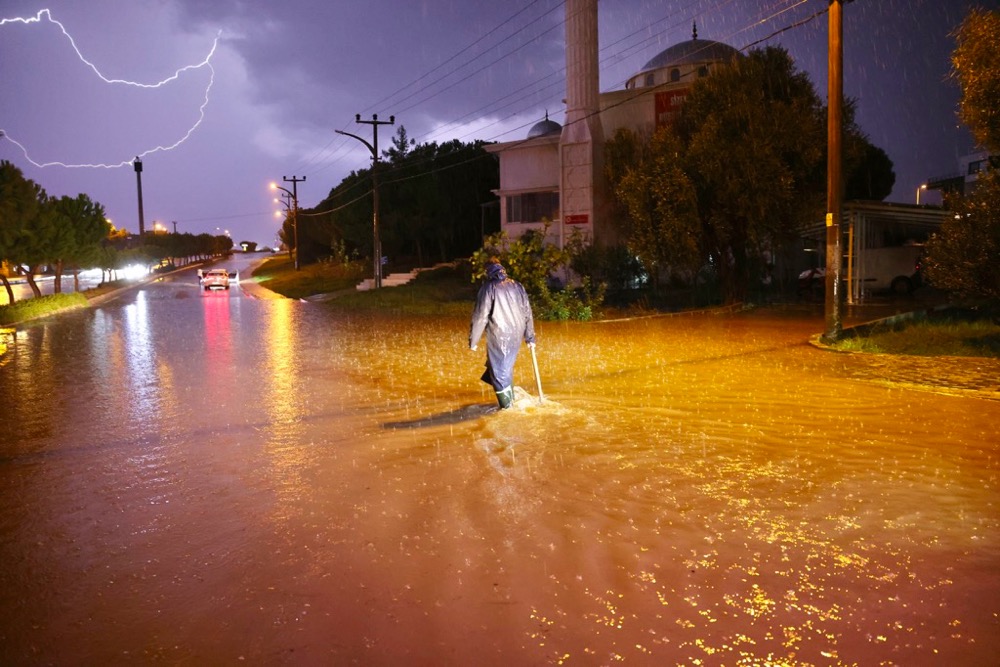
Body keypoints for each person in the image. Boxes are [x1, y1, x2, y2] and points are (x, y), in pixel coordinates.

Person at [469, 257, 536, 409]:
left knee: (500, 372)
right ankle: (510, 398)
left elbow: (481, 315)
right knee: (500, 367)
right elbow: (527, 311)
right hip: (516, 333)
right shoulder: (517, 285)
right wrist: (530, 337)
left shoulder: (489, 287)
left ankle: (508, 409)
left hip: (500, 334)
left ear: (488, 270)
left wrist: (473, 340)